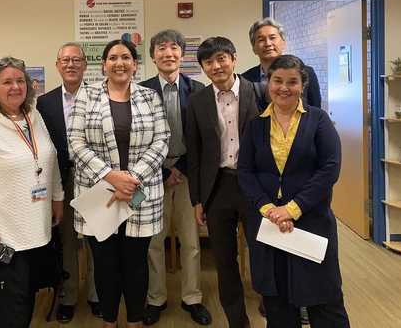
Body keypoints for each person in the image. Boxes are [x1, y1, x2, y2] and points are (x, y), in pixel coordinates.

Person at [237, 55, 350, 328]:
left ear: (303, 85)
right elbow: (245, 172)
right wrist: (269, 210)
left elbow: (329, 170)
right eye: (277, 81)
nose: (283, 88)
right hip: (269, 225)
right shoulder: (256, 126)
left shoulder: (319, 120)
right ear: (268, 83)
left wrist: (291, 209)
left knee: (324, 299)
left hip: (311, 220)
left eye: (292, 82)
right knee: (277, 302)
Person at [68, 39, 170, 328]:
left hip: (139, 194)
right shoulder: (86, 96)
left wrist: (132, 178)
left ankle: (135, 320)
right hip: (98, 193)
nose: (119, 62)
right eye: (112, 57)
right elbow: (75, 143)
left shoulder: (150, 97)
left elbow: (162, 140)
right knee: (105, 264)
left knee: (136, 265)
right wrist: (111, 176)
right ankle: (109, 320)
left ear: (135, 64)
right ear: (103, 64)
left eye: (126, 57)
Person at [0, 57, 64, 328]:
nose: (15, 87)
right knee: (7, 312)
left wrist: (57, 197)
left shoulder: (34, 116)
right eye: (7, 82)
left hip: (36, 231)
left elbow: (48, 159)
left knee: (25, 303)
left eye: (20, 81)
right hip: (2, 236)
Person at [186, 37, 259, 328]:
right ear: (203, 67)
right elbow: (195, 153)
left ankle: (273, 307)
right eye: (208, 62)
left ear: (233, 58)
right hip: (218, 189)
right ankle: (237, 321)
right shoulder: (197, 101)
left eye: (221, 59)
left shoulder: (259, 93)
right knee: (225, 261)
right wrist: (197, 199)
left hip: (255, 187)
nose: (216, 66)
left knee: (263, 253)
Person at [140, 30, 211, 326]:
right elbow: (137, 138)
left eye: (173, 48)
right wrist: (163, 170)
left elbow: (203, 137)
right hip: (151, 175)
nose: (168, 53)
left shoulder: (198, 90)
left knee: (191, 240)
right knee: (153, 242)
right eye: (161, 48)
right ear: (153, 55)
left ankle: (191, 297)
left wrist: (179, 167)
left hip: (187, 174)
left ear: (182, 54)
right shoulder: (140, 91)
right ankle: (156, 298)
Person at [36, 42, 101, 323]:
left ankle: (99, 295)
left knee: (97, 237)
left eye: (76, 60)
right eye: (65, 60)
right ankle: (69, 296)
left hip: (95, 179)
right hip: (61, 180)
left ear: (85, 65)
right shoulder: (44, 102)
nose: (71, 64)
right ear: (57, 65)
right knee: (66, 241)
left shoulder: (101, 96)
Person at [242, 17, 321, 110]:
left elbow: (316, 111)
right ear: (254, 48)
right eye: (261, 40)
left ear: (283, 43)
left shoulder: (306, 73)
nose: (268, 43)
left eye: (272, 38)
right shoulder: (245, 79)